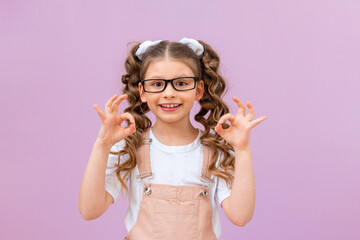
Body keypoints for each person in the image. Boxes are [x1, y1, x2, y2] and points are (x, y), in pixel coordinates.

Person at [78, 37, 268, 240]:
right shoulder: (130, 146)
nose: (169, 93)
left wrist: (242, 150)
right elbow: (89, 210)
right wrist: (102, 145)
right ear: (142, 92)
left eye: (181, 83)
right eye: (157, 84)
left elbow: (241, 217)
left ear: (199, 89)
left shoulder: (216, 150)